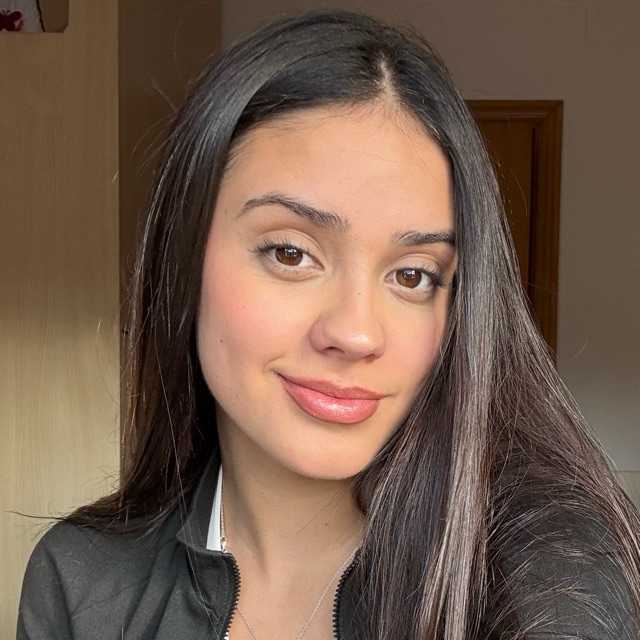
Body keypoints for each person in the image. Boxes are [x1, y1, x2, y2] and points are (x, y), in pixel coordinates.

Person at [16, 8, 640, 640]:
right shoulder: (84, 583)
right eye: (291, 253)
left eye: (413, 275)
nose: (356, 333)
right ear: (184, 258)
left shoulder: (544, 590)